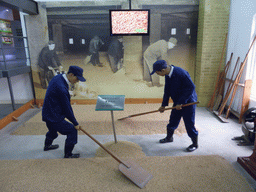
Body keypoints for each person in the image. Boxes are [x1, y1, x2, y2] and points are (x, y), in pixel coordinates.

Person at [150, 60, 198, 152]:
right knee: (173, 119)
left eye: (157, 72)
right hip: (178, 101)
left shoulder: (181, 73)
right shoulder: (167, 75)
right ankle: (169, 138)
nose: (157, 74)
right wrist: (163, 105)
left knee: (189, 123)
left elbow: (191, 87)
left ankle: (195, 144)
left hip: (188, 101)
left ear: (163, 70)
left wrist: (182, 102)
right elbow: (167, 90)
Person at [42, 66, 86, 158]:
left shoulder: (58, 77)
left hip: (47, 113)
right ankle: (68, 154)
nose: (77, 81)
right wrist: (75, 123)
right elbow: (67, 109)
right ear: (71, 75)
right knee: (72, 131)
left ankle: (47, 146)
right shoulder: (61, 88)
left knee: (53, 130)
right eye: (77, 78)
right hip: (54, 115)